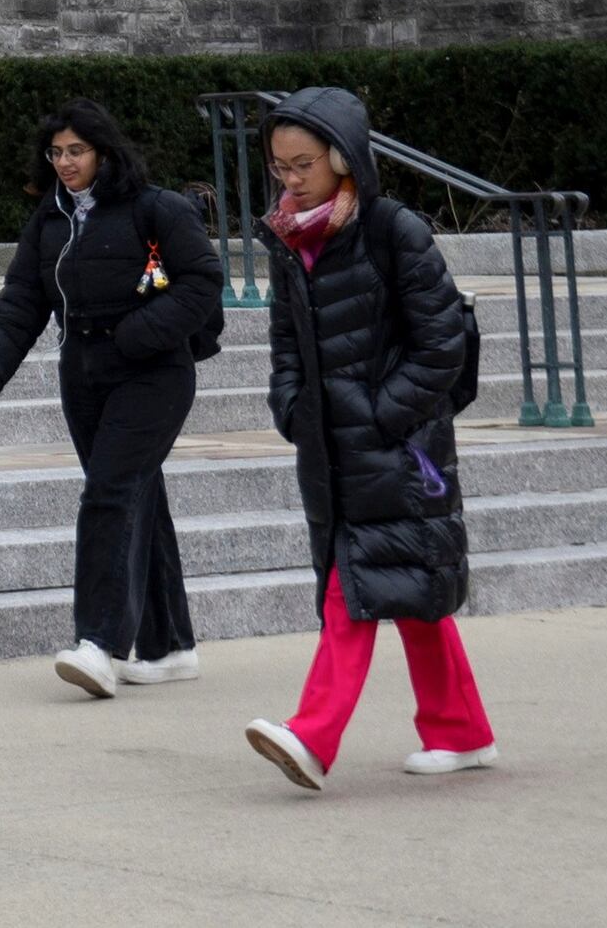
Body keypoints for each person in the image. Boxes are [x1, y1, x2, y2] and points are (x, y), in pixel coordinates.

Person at [241, 85, 499, 790]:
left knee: (350, 586)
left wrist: (384, 415)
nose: (290, 180)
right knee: (408, 588)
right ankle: (462, 732)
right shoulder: (290, 239)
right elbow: (285, 343)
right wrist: (292, 408)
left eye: (303, 165)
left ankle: (312, 734)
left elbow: (442, 344)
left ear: (343, 159)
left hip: (398, 447)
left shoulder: (393, 230)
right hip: (329, 447)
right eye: (280, 167)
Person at [0, 96, 226, 696]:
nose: (64, 162)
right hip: (82, 375)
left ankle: (99, 644)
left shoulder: (156, 208)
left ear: (104, 152)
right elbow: (22, 298)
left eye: (76, 151)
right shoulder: (50, 219)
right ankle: (170, 646)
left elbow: (202, 280)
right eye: (55, 152)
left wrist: (137, 336)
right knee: (136, 496)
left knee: (108, 493)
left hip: (153, 374)